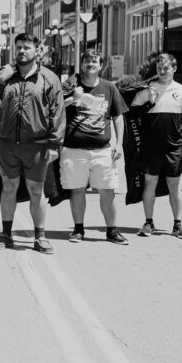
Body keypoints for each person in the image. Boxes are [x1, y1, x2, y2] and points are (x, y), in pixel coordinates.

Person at [0, 32, 64, 254]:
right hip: (6, 144)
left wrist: (55, 145)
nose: (21, 51)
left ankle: (40, 236)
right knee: (8, 188)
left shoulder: (49, 78)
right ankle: (6, 234)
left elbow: (58, 113)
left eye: (26, 47)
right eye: (18, 47)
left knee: (37, 191)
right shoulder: (5, 75)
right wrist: (0, 79)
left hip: (37, 145)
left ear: (37, 51)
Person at [60, 49, 128, 244]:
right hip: (74, 149)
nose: (91, 64)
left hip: (103, 150)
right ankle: (78, 229)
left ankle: (112, 231)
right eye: (87, 61)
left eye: (95, 61)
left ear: (101, 66)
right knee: (77, 189)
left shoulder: (109, 88)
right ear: (82, 64)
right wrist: (74, 97)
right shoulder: (71, 85)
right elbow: (55, 108)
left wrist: (119, 144)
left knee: (108, 190)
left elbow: (118, 116)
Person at [130, 52, 182, 239]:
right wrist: (149, 103)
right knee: (150, 184)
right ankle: (148, 222)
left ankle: (178, 225)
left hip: (174, 147)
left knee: (175, 186)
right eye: (159, 68)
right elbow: (133, 114)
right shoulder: (147, 89)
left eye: (166, 68)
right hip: (151, 147)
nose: (163, 71)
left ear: (174, 69)